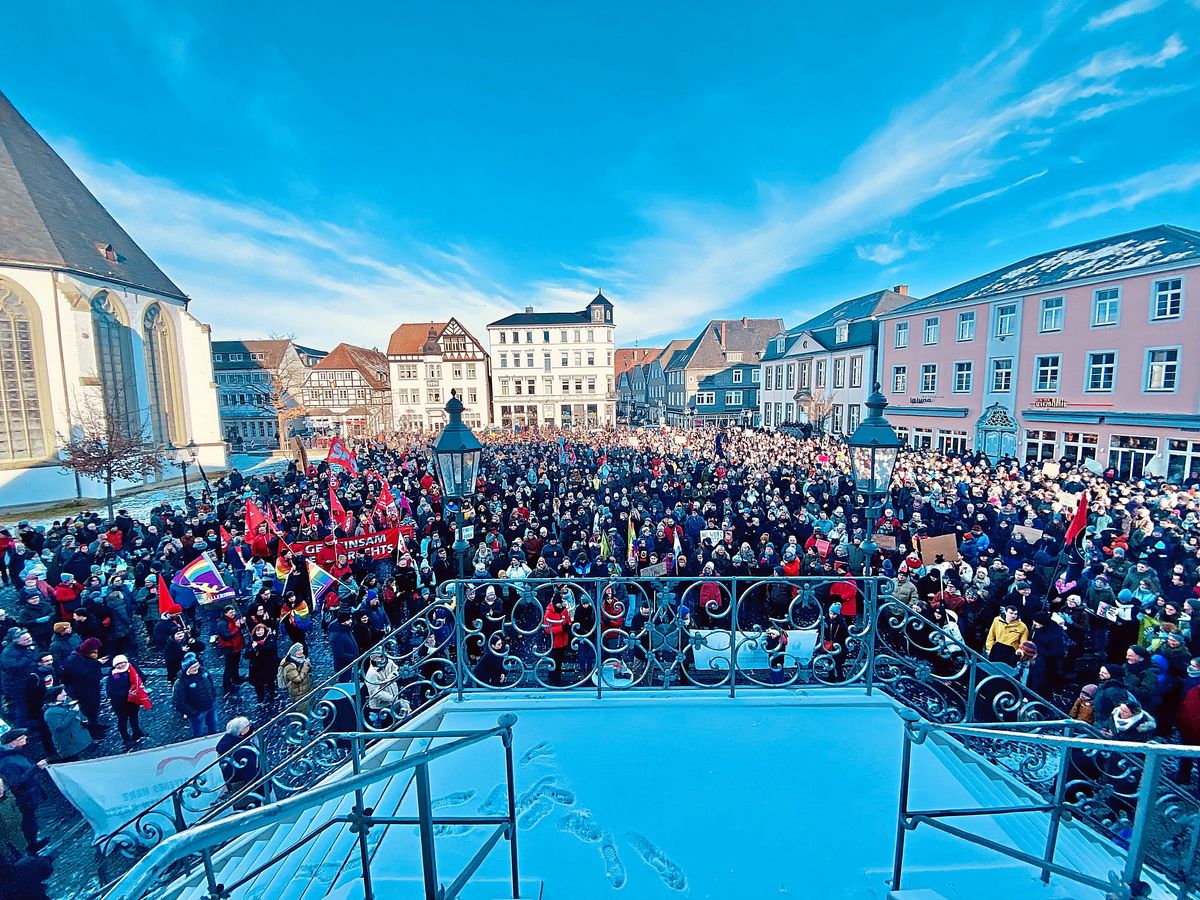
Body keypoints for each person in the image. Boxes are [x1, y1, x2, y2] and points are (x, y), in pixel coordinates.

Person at [0, 775, 52, 900]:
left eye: (1, 785)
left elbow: (17, 813)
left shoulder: (8, 796)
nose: (0, 789)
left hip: (18, 836)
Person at [0, 730, 47, 854]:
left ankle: (33, 844)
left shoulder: (14, 755)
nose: (25, 741)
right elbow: (16, 781)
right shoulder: (6, 761)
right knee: (28, 821)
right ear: (12, 742)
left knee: (30, 819)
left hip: (29, 793)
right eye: (22, 738)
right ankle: (31, 848)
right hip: (24, 796)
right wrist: (36, 768)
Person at [59, 638, 104, 735]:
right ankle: (92, 731)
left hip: (92, 688)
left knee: (94, 708)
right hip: (82, 690)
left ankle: (95, 725)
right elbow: (70, 676)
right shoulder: (72, 660)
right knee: (87, 710)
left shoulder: (84, 656)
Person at [215, 717, 261, 809]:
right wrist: (263, 789)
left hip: (233, 786)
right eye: (248, 726)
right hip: (248, 791)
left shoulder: (225, 743)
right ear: (242, 732)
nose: (251, 727)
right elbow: (251, 775)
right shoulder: (245, 751)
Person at [105, 655, 150, 746]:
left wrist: (136, 686)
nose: (121, 665)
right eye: (118, 664)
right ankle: (125, 738)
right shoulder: (113, 674)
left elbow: (142, 677)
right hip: (119, 702)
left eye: (122, 663)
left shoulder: (132, 667)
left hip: (133, 699)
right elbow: (110, 690)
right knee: (122, 719)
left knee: (134, 716)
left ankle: (137, 732)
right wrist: (129, 691)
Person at [173, 654, 218, 738]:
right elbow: (179, 702)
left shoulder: (204, 671)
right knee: (198, 733)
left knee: (213, 727)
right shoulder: (181, 682)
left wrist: (213, 697)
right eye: (193, 668)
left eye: (197, 666)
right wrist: (193, 713)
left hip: (211, 706)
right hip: (197, 711)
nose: (196, 668)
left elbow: (211, 684)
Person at [41, 687, 91, 761]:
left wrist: (83, 718)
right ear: (55, 696)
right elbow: (59, 727)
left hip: (81, 738)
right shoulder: (50, 713)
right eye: (61, 693)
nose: (65, 693)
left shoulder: (67, 701)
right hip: (71, 744)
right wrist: (73, 712)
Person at [213, 606, 246, 695]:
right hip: (229, 647)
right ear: (225, 613)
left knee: (236, 663)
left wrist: (241, 624)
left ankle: (236, 678)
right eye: (230, 612)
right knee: (229, 666)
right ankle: (227, 684)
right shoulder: (222, 623)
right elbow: (226, 636)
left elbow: (238, 629)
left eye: (233, 612)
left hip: (237, 645)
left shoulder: (234, 619)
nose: (233, 614)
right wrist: (238, 628)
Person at [244, 624, 279, 703]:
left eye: (261, 630)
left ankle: (272, 694)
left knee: (270, 681)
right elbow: (246, 656)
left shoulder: (270, 639)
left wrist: (258, 646)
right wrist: (252, 650)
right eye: (258, 630)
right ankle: (260, 698)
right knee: (258, 684)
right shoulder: (252, 641)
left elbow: (270, 649)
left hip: (268, 665)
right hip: (256, 667)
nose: (259, 632)